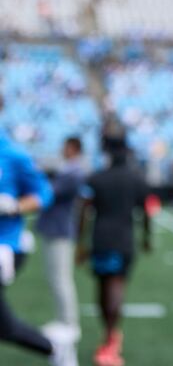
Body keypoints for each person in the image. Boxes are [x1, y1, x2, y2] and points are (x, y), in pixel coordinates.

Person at [76, 119, 152, 366]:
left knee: (103, 288)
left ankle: (109, 338)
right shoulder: (136, 178)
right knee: (116, 285)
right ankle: (111, 338)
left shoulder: (96, 178)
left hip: (101, 238)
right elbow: (147, 211)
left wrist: (80, 244)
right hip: (124, 239)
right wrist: (146, 239)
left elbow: (84, 212)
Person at [0, 97, 64, 364]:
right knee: (3, 327)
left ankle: (54, 349)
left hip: (4, 246)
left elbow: (44, 193)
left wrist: (14, 205)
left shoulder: (12, 155)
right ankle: (52, 348)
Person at [35, 136, 87, 366]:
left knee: (61, 280)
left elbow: (49, 193)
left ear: (73, 148)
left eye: (65, 146)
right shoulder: (69, 170)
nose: (61, 149)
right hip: (56, 229)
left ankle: (68, 324)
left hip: (60, 231)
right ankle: (64, 322)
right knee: (57, 279)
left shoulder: (74, 172)